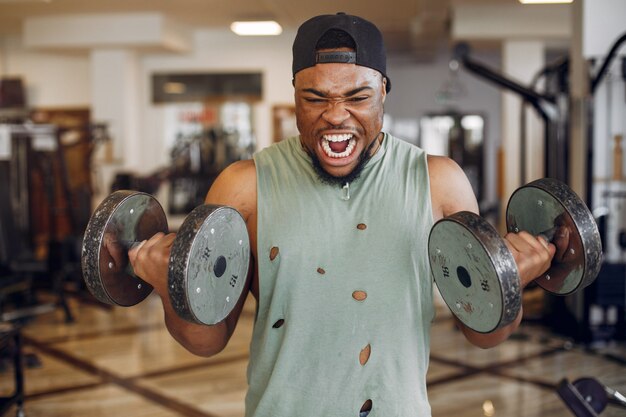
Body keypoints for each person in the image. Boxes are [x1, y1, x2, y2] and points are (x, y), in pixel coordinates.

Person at [129, 12, 561, 417]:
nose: (335, 114)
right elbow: (207, 341)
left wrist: (510, 283)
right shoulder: (243, 187)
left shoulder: (439, 182)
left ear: (384, 92)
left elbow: (484, 335)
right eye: (314, 97)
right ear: (294, 95)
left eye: (358, 96)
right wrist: (171, 290)